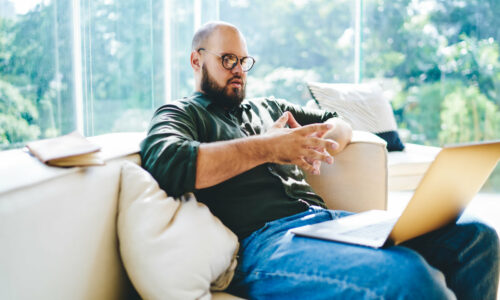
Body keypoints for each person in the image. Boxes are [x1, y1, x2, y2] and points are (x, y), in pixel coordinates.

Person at [140, 21, 499, 299]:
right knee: (409, 276)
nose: (239, 70)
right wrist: (268, 148)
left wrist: (323, 142)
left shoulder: (268, 107)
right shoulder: (182, 113)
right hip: (264, 244)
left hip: (328, 224)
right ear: (196, 60)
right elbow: (167, 163)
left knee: (475, 237)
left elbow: (338, 119)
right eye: (227, 60)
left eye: (243, 61)